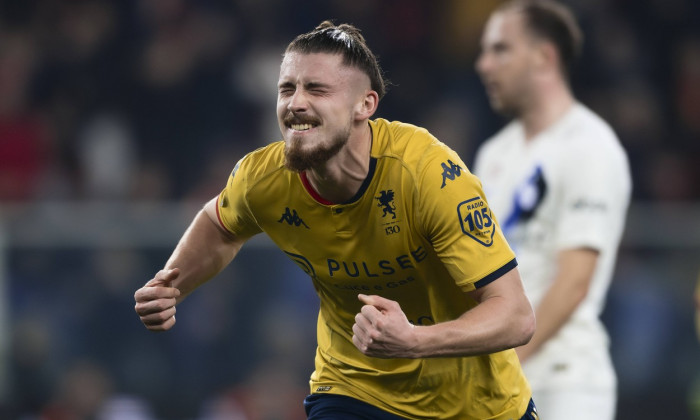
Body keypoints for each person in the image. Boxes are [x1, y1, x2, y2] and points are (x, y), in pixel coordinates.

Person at [135, 21, 538, 420]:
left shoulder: (427, 174)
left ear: (365, 105)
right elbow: (219, 224)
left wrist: (414, 340)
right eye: (286, 88)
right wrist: (172, 283)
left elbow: (515, 315)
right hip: (355, 391)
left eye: (317, 89)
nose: (295, 103)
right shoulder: (263, 178)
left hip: (479, 406)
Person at [473, 1, 632, 419]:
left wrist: (503, 362)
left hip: (566, 381)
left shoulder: (590, 145)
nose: (484, 65)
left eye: (500, 50)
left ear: (544, 57)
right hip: (496, 380)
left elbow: (575, 281)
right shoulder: (493, 154)